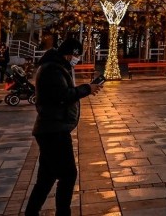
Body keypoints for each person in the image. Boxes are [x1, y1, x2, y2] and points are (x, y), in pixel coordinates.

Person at [25, 38, 101, 216]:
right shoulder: (53, 69)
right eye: (76, 55)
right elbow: (62, 95)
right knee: (68, 175)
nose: (77, 59)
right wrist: (86, 89)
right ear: (70, 54)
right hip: (54, 130)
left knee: (47, 177)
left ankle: (32, 212)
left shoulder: (55, 66)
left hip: (51, 127)